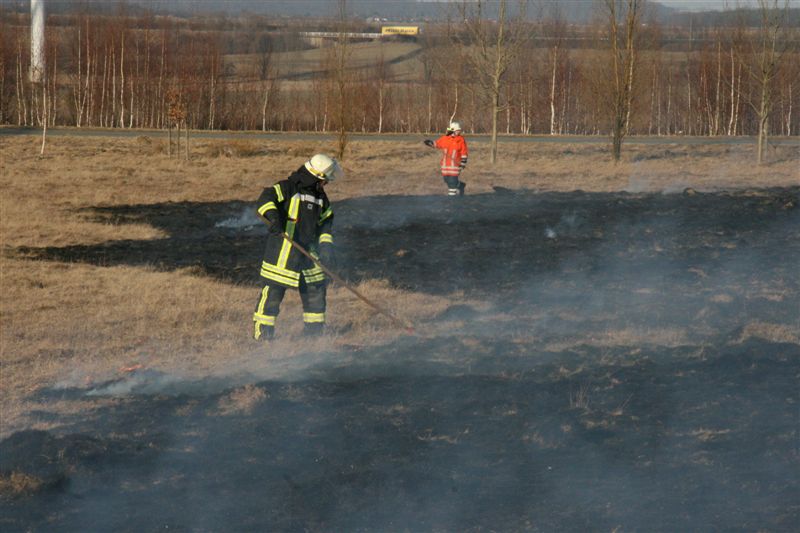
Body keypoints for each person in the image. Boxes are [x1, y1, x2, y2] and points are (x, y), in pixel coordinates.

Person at [252, 153, 343, 340]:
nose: (326, 184)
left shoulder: (321, 199)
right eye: (325, 180)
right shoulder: (287, 187)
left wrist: (326, 248)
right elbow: (265, 199)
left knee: (316, 290)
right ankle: (263, 334)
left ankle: (313, 335)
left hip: (309, 255)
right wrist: (273, 217)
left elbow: (325, 225)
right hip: (282, 254)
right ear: (317, 177)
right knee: (273, 294)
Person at [424, 121, 469, 196]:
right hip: (445, 165)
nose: (459, 131)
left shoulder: (461, 140)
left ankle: (451, 200)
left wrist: (463, 163)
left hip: (455, 165)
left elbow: (464, 152)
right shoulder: (445, 138)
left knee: (452, 182)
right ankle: (461, 185)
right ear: (453, 130)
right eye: (457, 130)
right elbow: (437, 144)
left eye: (459, 130)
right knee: (446, 180)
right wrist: (430, 143)